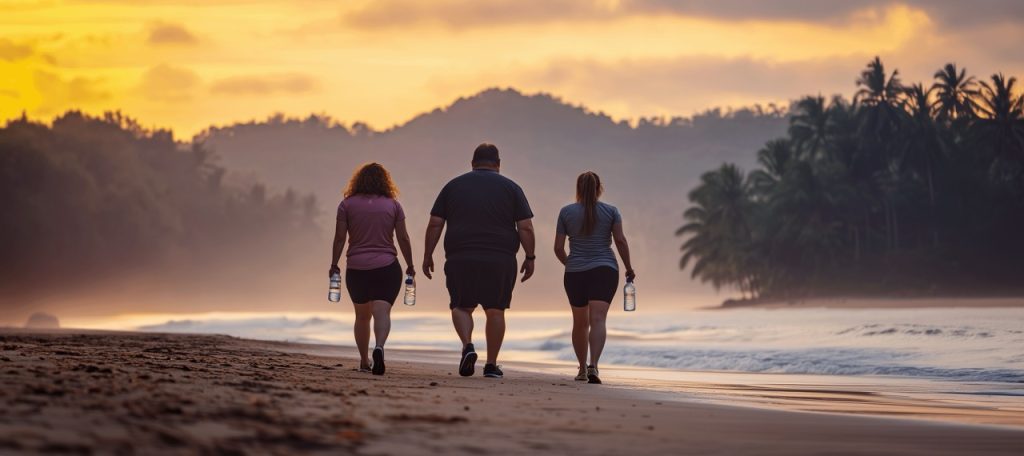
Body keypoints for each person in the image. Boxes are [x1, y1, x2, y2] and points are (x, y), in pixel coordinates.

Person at [423, 143, 536, 378]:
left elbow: (435, 223)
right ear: (498, 164)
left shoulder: (453, 186)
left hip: (460, 257)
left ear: (472, 163)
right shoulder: (512, 188)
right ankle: (491, 365)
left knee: (461, 306)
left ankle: (467, 345)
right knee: (495, 310)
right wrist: (530, 256)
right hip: (500, 259)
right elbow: (525, 227)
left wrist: (428, 254)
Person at [330, 163, 415, 376]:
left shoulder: (346, 205)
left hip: (356, 268)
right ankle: (379, 346)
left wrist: (334, 264)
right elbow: (403, 238)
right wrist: (411, 264)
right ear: (385, 182)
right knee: (382, 311)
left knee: (361, 317)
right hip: (387, 267)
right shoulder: (393, 205)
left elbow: (340, 237)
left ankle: (364, 360)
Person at [554, 171, 635, 384]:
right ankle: (594, 366)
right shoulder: (611, 211)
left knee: (580, 322)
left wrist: (570, 263)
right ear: (599, 188)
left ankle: (581, 369)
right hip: (604, 270)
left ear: (578, 188)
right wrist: (628, 267)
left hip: (575, 273)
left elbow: (558, 248)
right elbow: (620, 241)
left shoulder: (566, 212)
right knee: (598, 319)